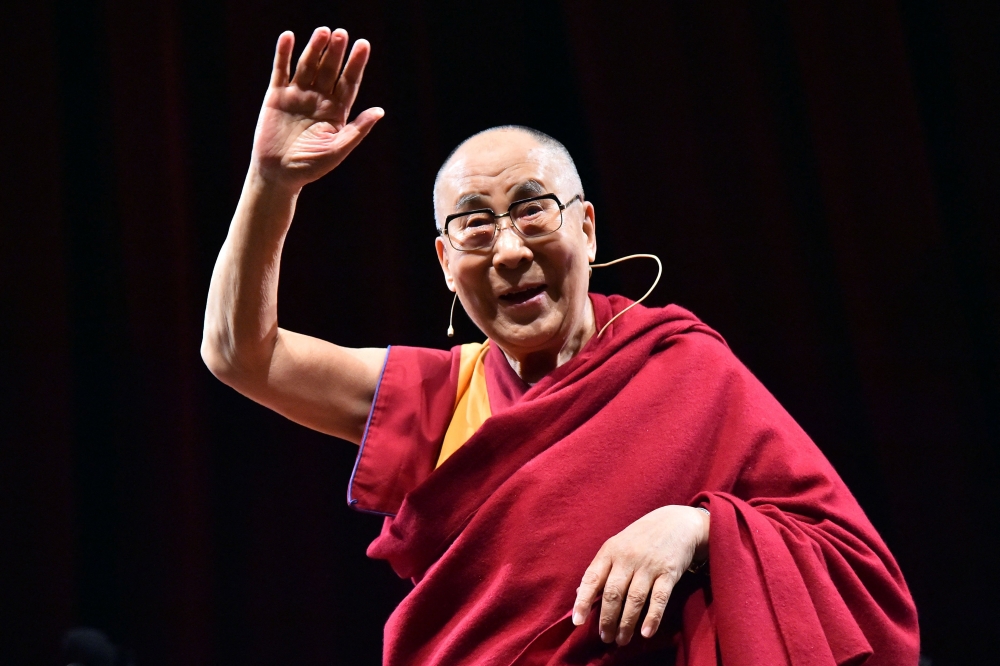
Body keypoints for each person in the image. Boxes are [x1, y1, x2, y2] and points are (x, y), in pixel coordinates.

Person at [202, 27, 920, 665]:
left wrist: (696, 528)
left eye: (532, 211)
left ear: (588, 228)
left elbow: (850, 565)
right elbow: (240, 354)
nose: (509, 249)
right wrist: (271, 184)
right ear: (447, 263)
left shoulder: (682, 366)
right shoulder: (438, 396)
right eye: (476, 227)